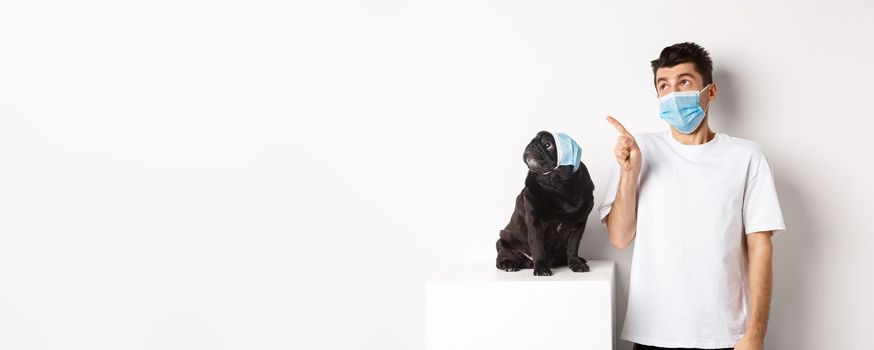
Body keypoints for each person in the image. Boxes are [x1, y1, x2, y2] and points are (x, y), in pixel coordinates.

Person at [599, 42, 786, 350]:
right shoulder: (639, 149)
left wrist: (756, 333)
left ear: (709, 92)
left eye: (684, 82)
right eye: (664, 85)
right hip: (653, 334)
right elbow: (619, 238)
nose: (673, 93)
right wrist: (629, 173)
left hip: (725, 336)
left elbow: (760, 248)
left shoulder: (745, 156)